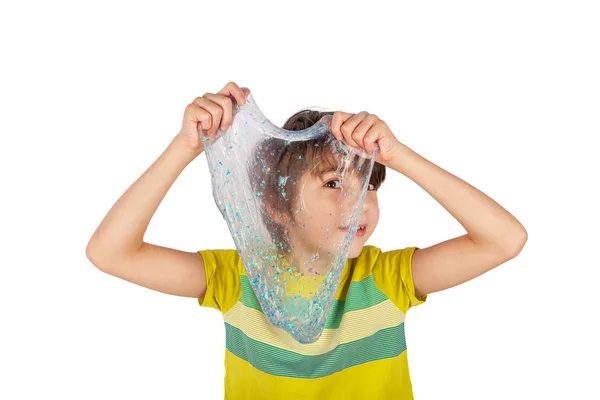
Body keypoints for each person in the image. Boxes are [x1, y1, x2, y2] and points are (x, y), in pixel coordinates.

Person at [86, 81, 528, 399]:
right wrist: (185, 146)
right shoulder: (235, 278)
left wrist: (397, 155)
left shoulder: (385, 279)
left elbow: (505, 239)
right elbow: (109, 252)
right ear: (277, 205)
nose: (360, 203)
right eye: (336, 184)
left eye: (369, 183)